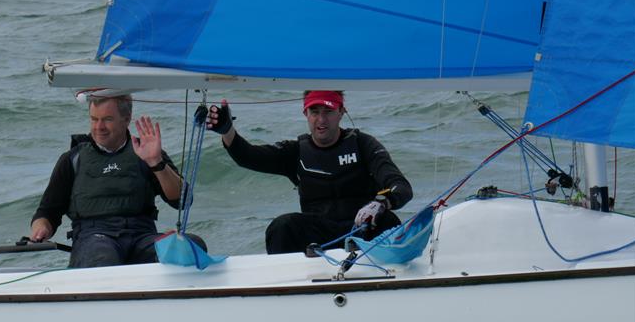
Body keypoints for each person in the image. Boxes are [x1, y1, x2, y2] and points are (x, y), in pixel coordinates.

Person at [207, 90, 413, 254]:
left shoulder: (363, 144)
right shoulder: (296, 150)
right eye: (315, 111)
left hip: (362, 229)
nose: (321, 120)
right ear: (305, 113)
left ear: (341, 112)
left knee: (389, 221)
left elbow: (400, 186)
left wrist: (381, 202)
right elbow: (248, 156)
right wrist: (227, 131)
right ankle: (287, 291)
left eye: (328, 111)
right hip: (318, 236)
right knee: (282, 226)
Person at [30, 94, 188, 268]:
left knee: (189, 247)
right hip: (93, 239)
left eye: (107, 119)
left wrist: (156, 163)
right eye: (94, 119)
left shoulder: (147, 152)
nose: (99, 127)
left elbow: (183, 200)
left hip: (142, 237)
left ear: (126, 119)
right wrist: (41, 228)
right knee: (104, 257)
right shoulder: (72, 159)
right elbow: (46, 212)